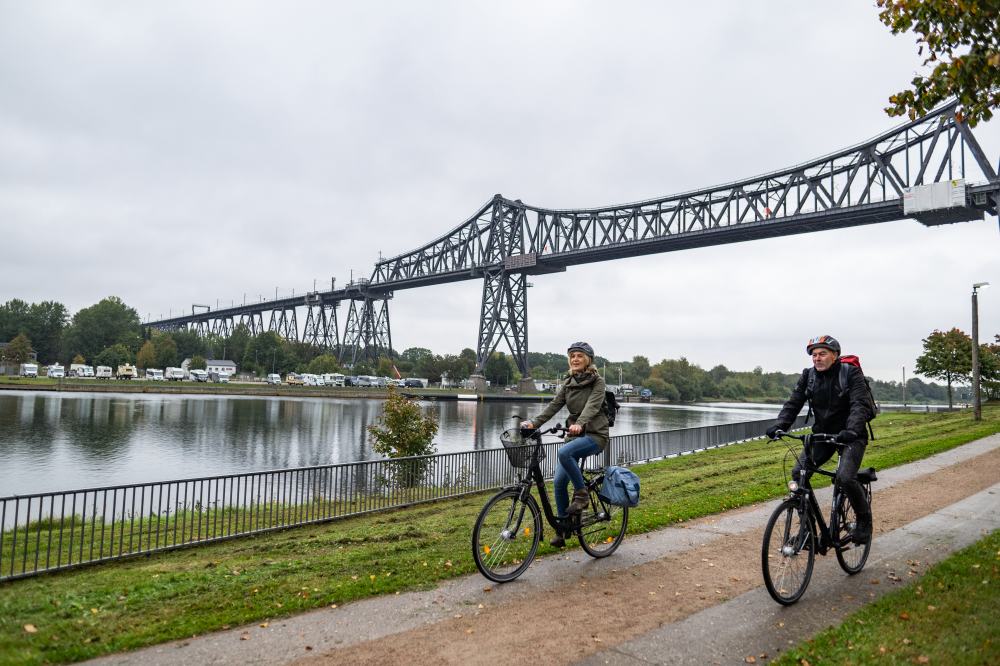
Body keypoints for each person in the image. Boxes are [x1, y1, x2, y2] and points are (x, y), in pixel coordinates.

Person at [766, 335, 872, 544]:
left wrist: (851, 430)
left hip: (851, 436)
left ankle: (864, 522)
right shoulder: (809, 376)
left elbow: (860, 405)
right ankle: (808, 530)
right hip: (823, 435)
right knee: (798, 473)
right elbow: (794, 403)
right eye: (814, 355)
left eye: (822, 353)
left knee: (844, 478)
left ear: (835, 355)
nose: (817, 358)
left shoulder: (851, 374)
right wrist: (780, 425)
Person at [521, 341, 609, 547]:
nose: (575, 359)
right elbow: (553, 406)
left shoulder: (598, 382)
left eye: (579, 355)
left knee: (564, 453)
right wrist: (533, 422)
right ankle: (563, 527)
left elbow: (592, 407)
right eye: (572, 356)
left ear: (588, 359)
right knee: (559, 482)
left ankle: (582, 495)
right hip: (574, 435)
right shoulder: (568, 382)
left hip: (595, 434)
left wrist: (579, 424)